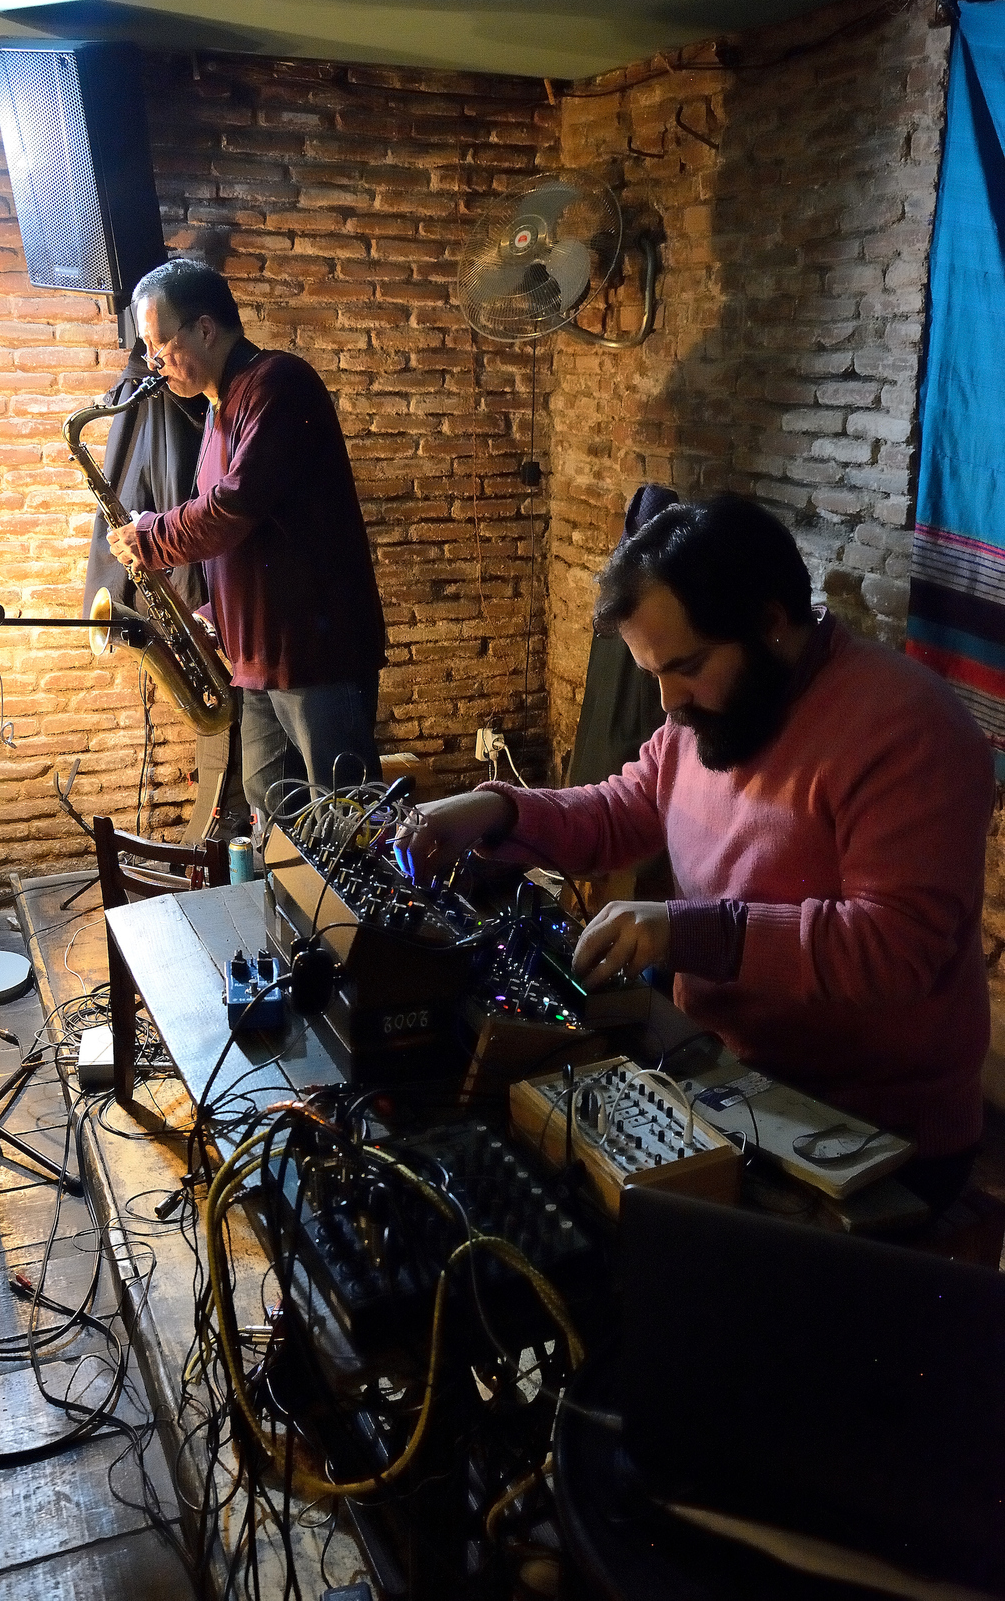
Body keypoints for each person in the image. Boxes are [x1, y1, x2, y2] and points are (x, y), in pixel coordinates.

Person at [395, 493, 995, 1206]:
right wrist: (495, 809)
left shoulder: (908, 730)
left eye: (686, 666)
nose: (667, 702)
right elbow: (624, 809)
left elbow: (895, 949)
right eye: (653, 674)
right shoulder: (718, 707)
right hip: (721, 1074)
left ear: (770, 623)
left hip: (868, 1135)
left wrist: (690, 933)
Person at [107, 258, 386, 817]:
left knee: (346, 819)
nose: (154, 363)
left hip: (314, 656)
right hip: (257, 658)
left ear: (206, 329)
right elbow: (252, 544)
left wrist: (151, 537)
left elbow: (236, 505)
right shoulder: (217, 412)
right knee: (273, 812)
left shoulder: (279, 383)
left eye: (159, 346)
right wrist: (214, 615)